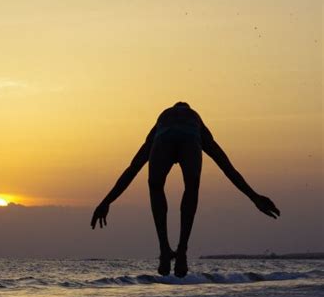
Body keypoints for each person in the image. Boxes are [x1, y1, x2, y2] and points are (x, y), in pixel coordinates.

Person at [91, 102, 280, 277]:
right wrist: (253, 196)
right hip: (190, 138)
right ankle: (182, 252)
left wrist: (106, 201)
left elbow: (132, 168)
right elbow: (227, 168)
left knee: (155, 186)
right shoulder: (196, 122)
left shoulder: (161, 122)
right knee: (192, 187)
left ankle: (164, 249)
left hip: (163, 139)